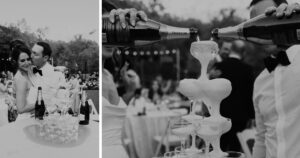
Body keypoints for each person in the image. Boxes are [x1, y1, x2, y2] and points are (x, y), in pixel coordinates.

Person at [249, 1, 300, 158]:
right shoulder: (260, 81)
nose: (262, 29)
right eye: (256, 24)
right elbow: (261, 138)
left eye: (266, 19)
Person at [102, 1, 147, 158]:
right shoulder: (88, 80)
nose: (109, 34)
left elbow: (114, 117)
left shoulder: (108, 75)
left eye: (112, 28)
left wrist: (131, 89)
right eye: (103, 26)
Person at [211, 40, 255, 151]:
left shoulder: (219, 67)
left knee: (219, 148)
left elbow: (211, 91)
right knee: (235, 149)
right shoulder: (247, 69)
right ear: (243, 52)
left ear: (231, 50)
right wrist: (252, 116)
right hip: (240, 117)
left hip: (220, 115)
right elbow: (250, 95)